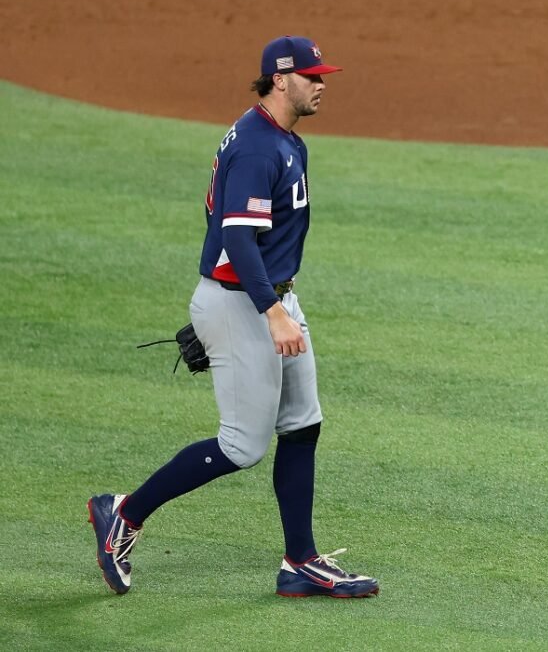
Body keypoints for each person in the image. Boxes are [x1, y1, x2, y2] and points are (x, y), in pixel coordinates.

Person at [88, 35, 379, 599]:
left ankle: (300, 563)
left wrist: (279, 303)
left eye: (324, 75)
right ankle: (124, 513)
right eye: (312, 75)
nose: (322, 84)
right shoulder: (256, 147)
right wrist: (271, 310)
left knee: (302, 424)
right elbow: (236, 237)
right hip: (244, 300)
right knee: (243, 445)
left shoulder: (283, 139)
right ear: (279, 79)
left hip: (270, 296)